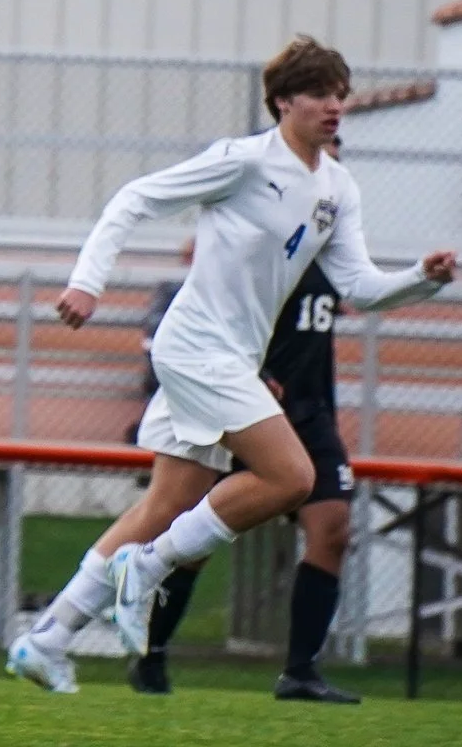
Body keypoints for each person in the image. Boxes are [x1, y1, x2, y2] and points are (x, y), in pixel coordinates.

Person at [8, 37, 456, 695]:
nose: (334, 105)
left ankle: (48, 637)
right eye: (319, 94)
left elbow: (358, 287)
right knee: (292, 476)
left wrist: (422, 278)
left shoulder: (337, 186)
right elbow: (132, 199)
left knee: (167, 502)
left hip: (228, 357)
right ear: (282, 101)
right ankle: (150, 566)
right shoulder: (242, 161)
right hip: (195, 346)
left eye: (340, 92)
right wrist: (87, 283)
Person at [136, 138, 364, 702]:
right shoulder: (254, 231)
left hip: (311, 410)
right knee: (195, 532)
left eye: (334, 153)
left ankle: (301, 672)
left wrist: (415, 278)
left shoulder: (334, 233)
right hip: (241, 404)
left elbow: (361, 290)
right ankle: (151, 655)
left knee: (333, 529)